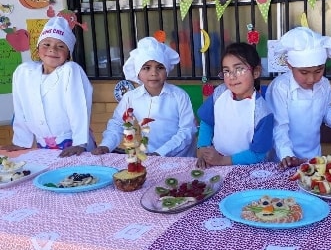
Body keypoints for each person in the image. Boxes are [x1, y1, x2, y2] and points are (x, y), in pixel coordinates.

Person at [1, 16, 94, 157]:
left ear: (68, 54)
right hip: (43, 147)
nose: (52, 50)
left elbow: (79, 108)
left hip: (73, 145)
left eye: (61, 46)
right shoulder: (24, 73)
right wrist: (21, 141)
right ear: (37, 49)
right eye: (46, 44)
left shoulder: (71, 71)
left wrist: (79, 143)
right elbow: (20, 109)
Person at [91, 37, 196, 157]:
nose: (153, 73)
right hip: (149, 157)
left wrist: (160, 153)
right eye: (146, 68)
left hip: (180, 158)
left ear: (167, 71)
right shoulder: (131, 98)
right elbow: (118, 124)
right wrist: (106, 145)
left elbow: (187, 130)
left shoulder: (180, 96)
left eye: (160, 67)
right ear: (138, 73)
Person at [265, 26, 331, 168]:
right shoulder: (280, 87)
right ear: (289, 65)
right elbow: (279, 125)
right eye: (304, 72)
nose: (311, 79)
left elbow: (326, 108)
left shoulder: (324, 85)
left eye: (318, 70)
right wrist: (286, 154)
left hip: (313, 158)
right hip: (283, 159)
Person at [195, 42, 273, 168]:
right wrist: (203, 149)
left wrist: (222, 160)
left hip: (247, 168)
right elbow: (207, 122)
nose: (232, 76)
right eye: (226, 71)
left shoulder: (263, 113)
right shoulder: (219, 93)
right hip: (215, 163)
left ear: (256, 72)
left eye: (239, 69)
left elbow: (258, 155)